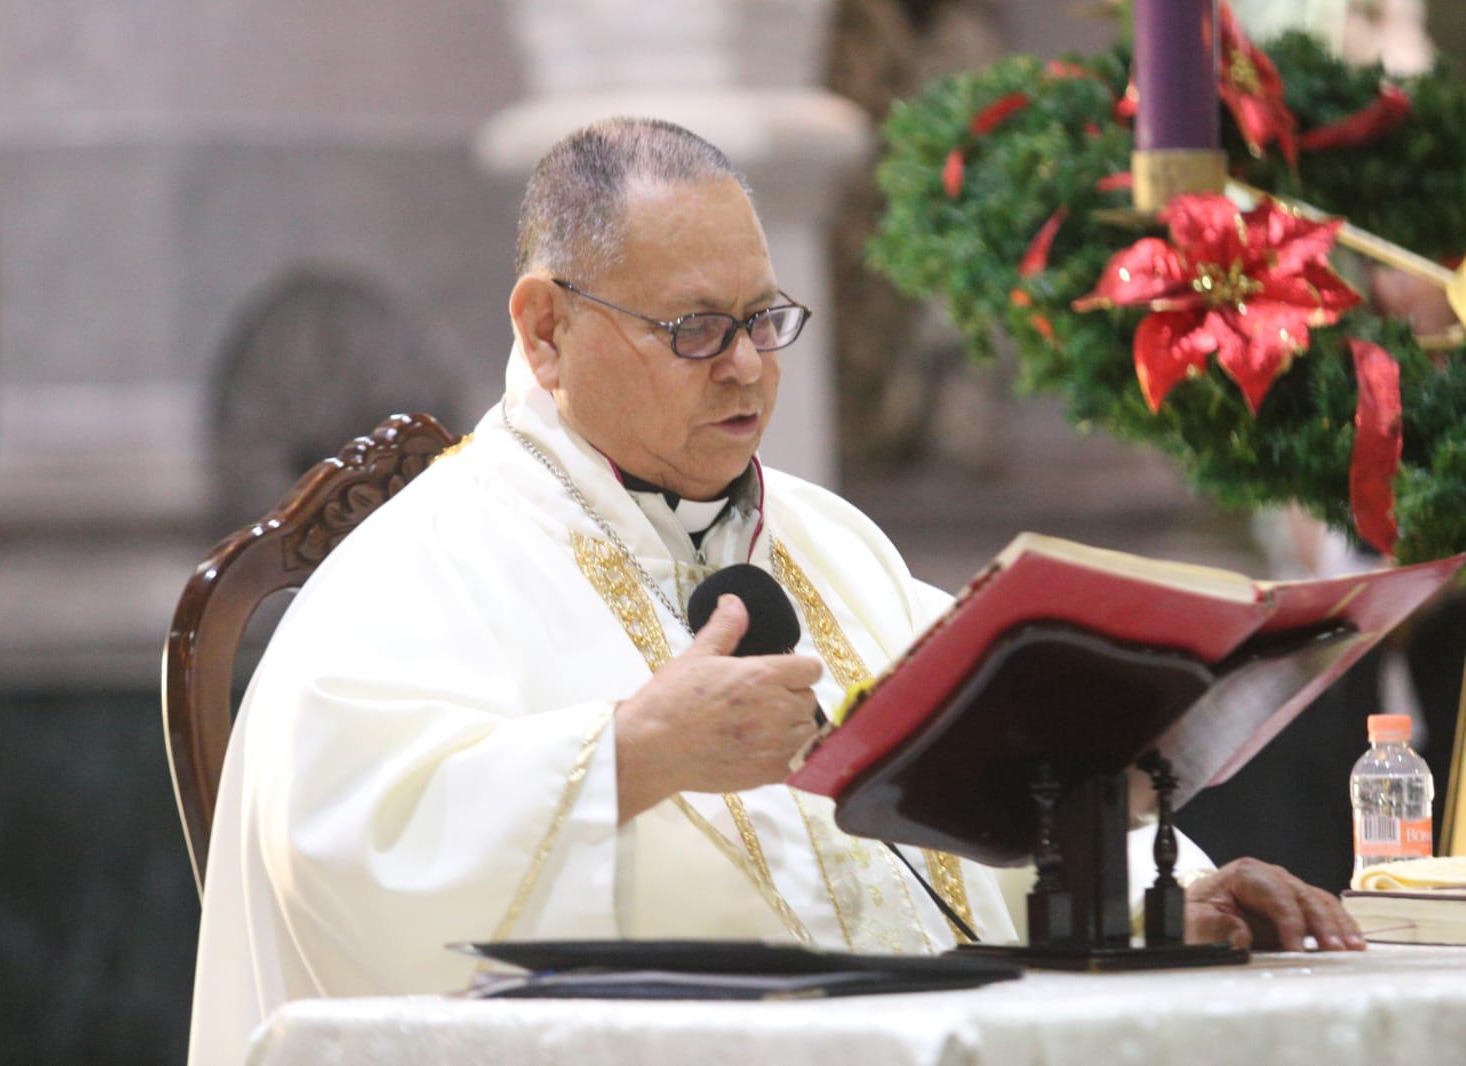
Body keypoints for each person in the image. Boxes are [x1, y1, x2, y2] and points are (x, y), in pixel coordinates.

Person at [186, 118, 1363, 1064]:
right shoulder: (416, 567)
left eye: (762, 318)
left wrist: (1166, 897)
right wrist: (623, 755)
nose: (747, 365)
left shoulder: (827, 539)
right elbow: (331, 855)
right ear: (545, 330)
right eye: (694, 328)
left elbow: (989, 776)